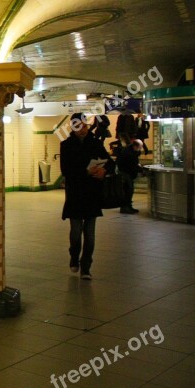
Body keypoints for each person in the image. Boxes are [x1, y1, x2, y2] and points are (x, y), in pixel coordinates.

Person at [61, 113, 112, 280]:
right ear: (73, 127)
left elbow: (110, 162)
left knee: (90, 235)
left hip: (92, 193)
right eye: (78, 126)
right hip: (75, 193)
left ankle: (86, 267)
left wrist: (104, 170)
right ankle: (74, 256)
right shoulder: (66, 145)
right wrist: (85, 172)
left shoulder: (95, 143)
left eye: (84, 125)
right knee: (76, 233)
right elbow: (66, 171)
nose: (82, 129)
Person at [117, 139, 143, 214]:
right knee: (128, 190)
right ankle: (125, 207)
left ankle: (128, 206)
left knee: (128, 190)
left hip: (127, 172)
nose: (140, 149)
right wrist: (140, 169)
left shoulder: (130, 151)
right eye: (140, 147)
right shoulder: (129, 153)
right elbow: (132, 165)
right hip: (125, 173)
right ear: (135, 146)